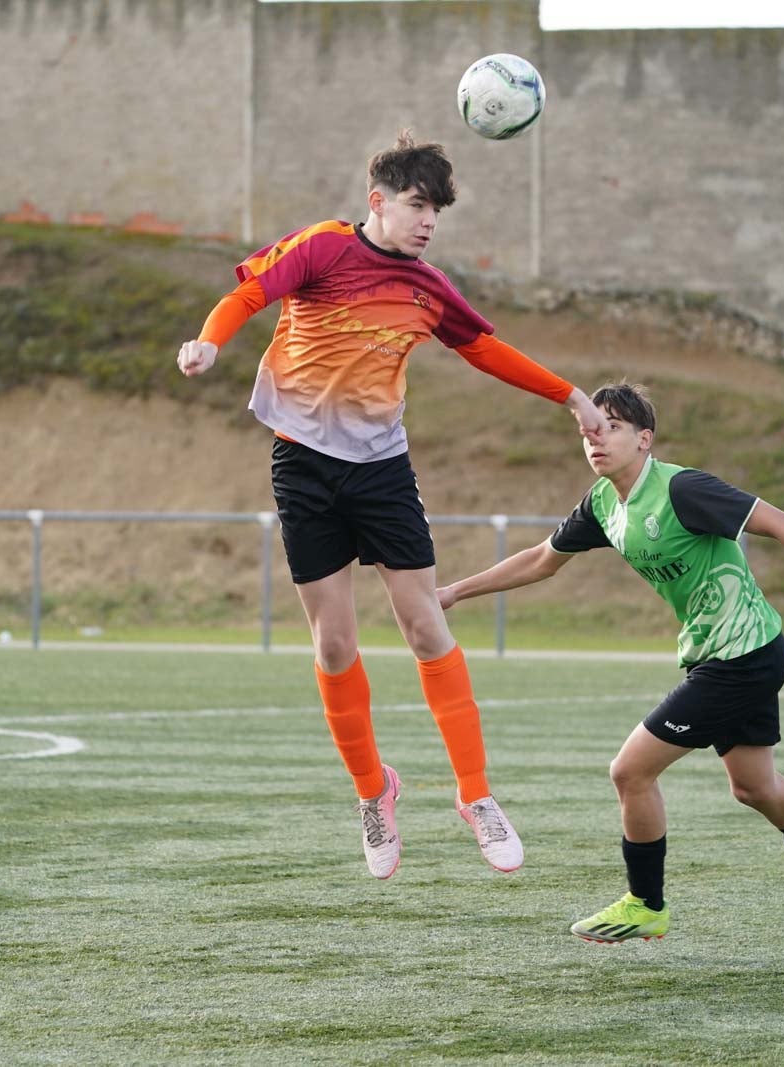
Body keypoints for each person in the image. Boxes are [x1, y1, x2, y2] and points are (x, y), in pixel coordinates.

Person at [175, 131, 605, 879]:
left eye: (436, 209)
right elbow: (249, 291)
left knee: (423, 623)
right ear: (378, 201)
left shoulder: (429, 287)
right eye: (416, 205)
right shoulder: (323, 248)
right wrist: (211, 341)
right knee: (333, 645)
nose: (428, 220)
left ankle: (477, 795)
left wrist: (570, 395)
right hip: (302, 466)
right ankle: (374, 791)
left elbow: (485, 349)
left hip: (381, 471)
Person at [437, 381, 784, 949]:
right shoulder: (604, 503)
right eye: (589, 429)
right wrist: (454, 592)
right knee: (755, 788)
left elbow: (783, 524)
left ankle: (646, 905)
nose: (595, 437)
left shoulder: (682, 489)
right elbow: (541, 560)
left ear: (644, 439)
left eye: (610, 426)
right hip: (726, 653)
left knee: (630, 771)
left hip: (741, 657)